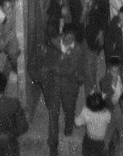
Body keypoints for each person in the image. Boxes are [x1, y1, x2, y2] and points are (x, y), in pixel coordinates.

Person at [34, 27, 85, 156]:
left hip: (70, 85)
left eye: (71, 40)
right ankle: (53, 145)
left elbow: (71, 69)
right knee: (53, 115)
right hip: (54, 86)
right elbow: (43, 63)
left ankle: (68, 127)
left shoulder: (78, 49)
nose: (69, 42)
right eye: (66, 38)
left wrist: (52, 68)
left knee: (69, 109)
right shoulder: (54, 46)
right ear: (62, 36)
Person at [74, 91, 112, 156]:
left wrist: (77, 115)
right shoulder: (107, 114)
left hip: (89, 139)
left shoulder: (86, 111)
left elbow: (77, 123)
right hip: (101, 141)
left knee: (86, 152)